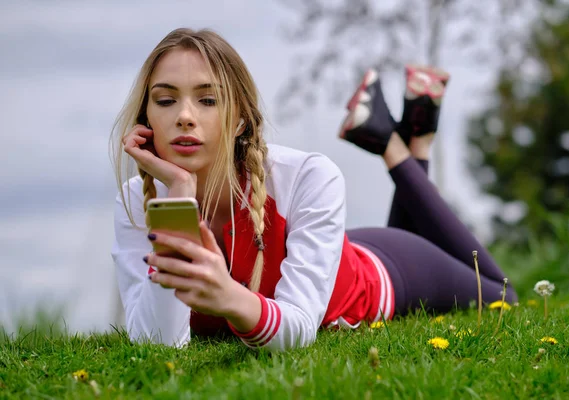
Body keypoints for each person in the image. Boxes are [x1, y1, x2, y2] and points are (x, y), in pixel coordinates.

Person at [110, 28, 517, 352]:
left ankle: (394, 145)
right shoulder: (135, 201)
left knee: (503, 294)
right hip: (325, 250)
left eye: (208, 100)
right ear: (146, 115)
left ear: (240, 121)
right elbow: (155, 343)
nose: (184, 116)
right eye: (165, 101)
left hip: (380, 270)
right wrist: (179, 196)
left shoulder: (306, 175)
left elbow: (299, 327)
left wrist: (228, 296)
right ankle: (418, 134)